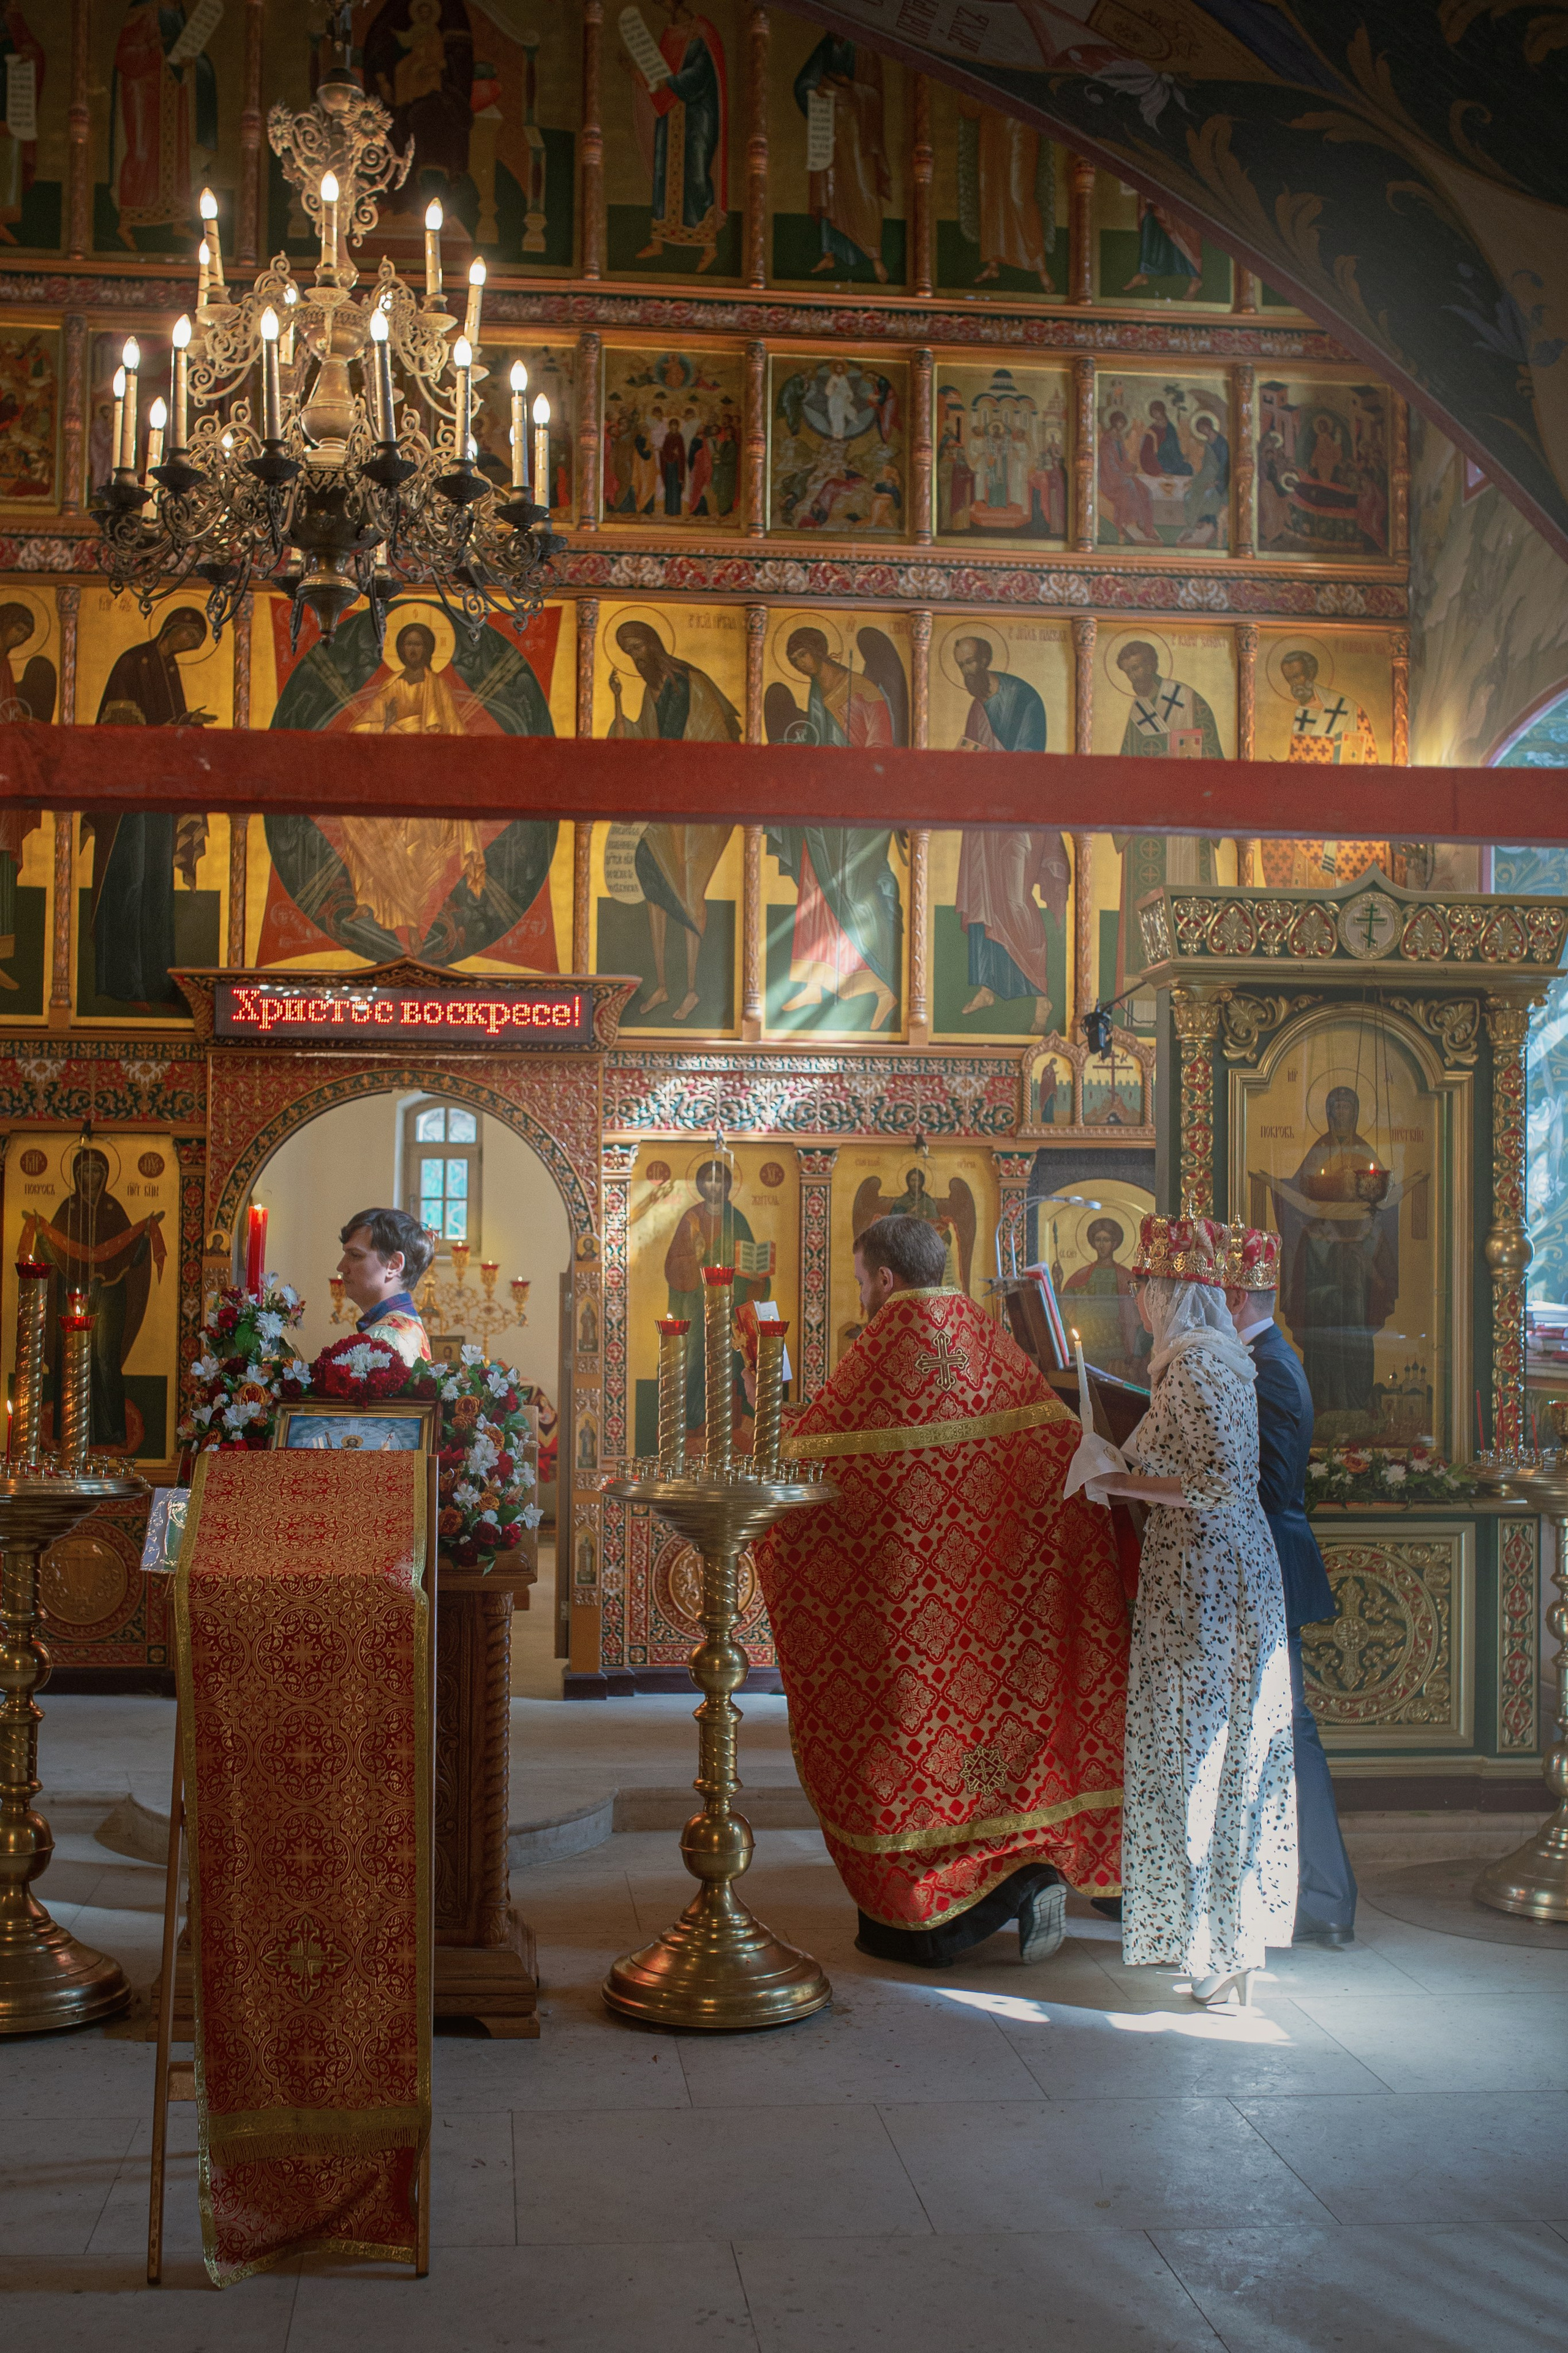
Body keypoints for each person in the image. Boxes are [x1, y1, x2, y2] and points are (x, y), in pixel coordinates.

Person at [754, 1213, 1129, 1970]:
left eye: (862, 1283)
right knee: (1007, 1757)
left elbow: (799, 1482)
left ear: (886, 1278)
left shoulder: (883, 1358)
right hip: (1007, 1630)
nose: (864, 1298)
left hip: (915, 1638)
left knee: (912, 1761)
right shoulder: (995, 1352)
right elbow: (1071, 1463)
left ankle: (939, 1920)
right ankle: (1029, 1874)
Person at [1082, 1207, 1297, 2007]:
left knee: (1203, 1755)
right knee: (1214, 1750)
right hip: (1212, 1575)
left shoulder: (1202, 1366)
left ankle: (1220, 1946)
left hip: (1206, 1586)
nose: (1141, 1301)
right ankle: (1224, 1947)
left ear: (1173, 1293)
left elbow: (1212, 1484)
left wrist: (1114, 1481)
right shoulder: (1214, 1361)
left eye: (1148, 1287)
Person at [1227, 1225, 1357, 1947]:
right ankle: (1293, 1893)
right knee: (1279, 1732)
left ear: (1241, 1296)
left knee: (1293, 1732)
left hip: (1273, 1560)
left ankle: (1328, 1900)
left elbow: (1270, 1485)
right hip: (1266, 1562)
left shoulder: (1272, 1367)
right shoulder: (1260, 1359)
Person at [336, 1207, 435, 1367]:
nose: (341, 1267)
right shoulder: (409, 1325)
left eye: (355, 1255)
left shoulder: (382, 1340)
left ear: (394, 1265)